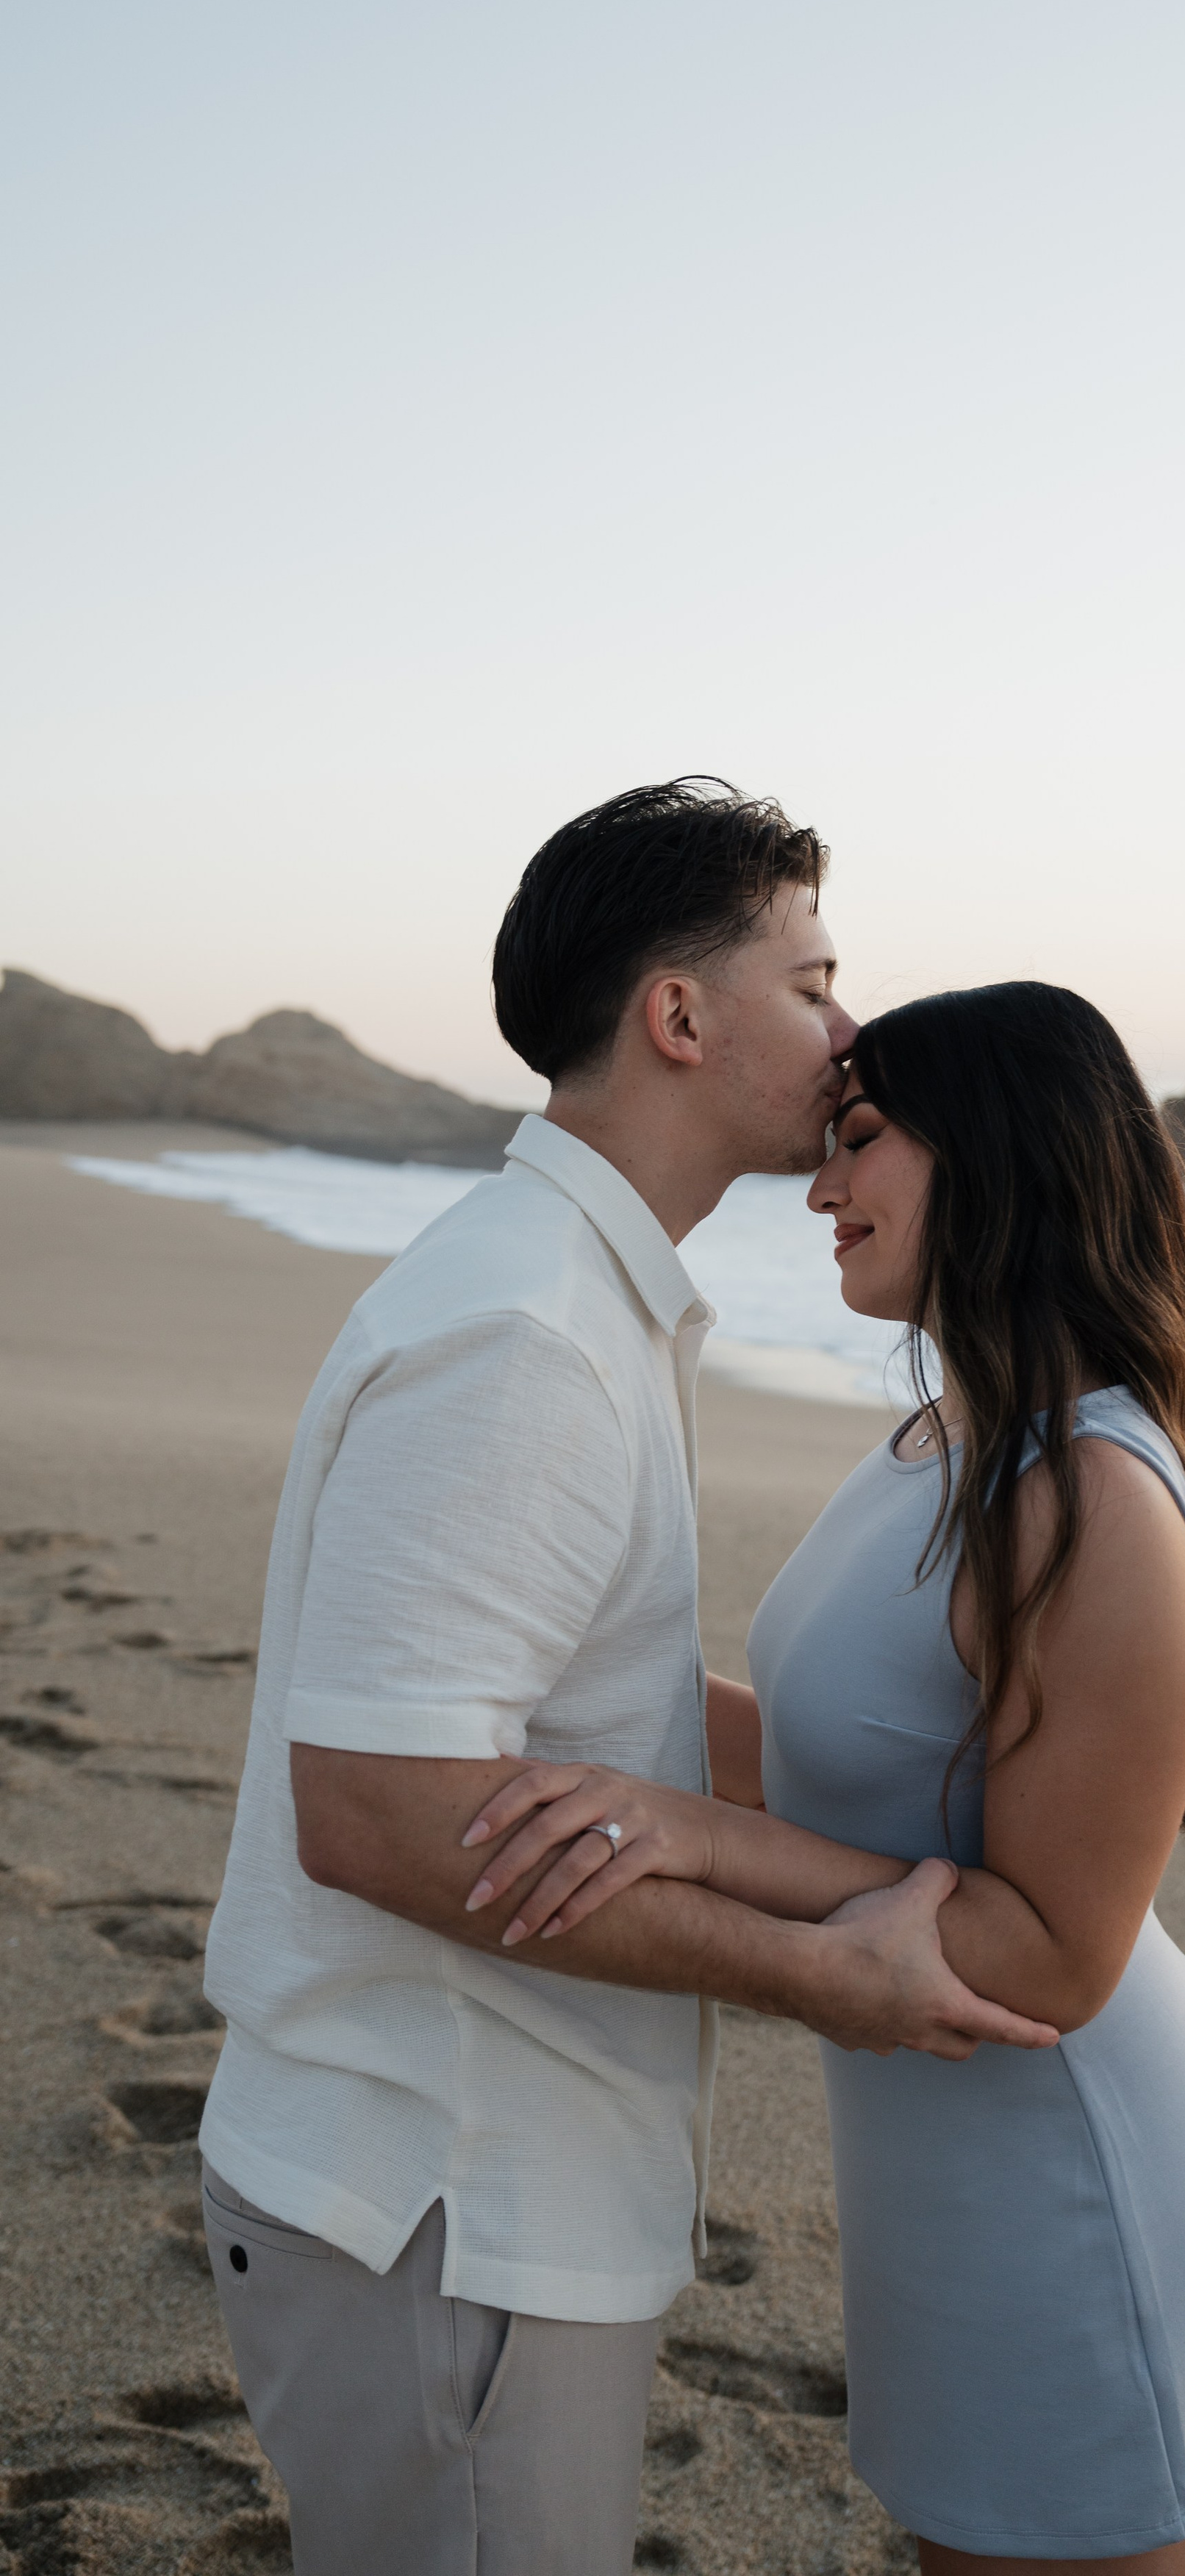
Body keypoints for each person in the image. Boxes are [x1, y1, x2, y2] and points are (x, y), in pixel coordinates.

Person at [197, 785, 1058, 2576]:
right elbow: (373, 1812)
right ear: (678, 1018)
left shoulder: (570, 1298)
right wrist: (826, 1977)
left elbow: (584, 1707)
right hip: (445, 2203)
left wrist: (898, 1814)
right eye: (814, 984)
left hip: (470, 2188)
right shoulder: (525, 1335)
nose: (847, 1038)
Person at [471, 979, 1185, 2574]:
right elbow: (831, 1761)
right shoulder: (946, 1433)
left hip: (1070, 2165)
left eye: (860, 1141)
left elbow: (1055, 1958)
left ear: (1000, 1155)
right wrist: (550, 1703)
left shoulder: (1090, 1493)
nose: (817, 1185)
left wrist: (690, 1838)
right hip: (941, 2164)